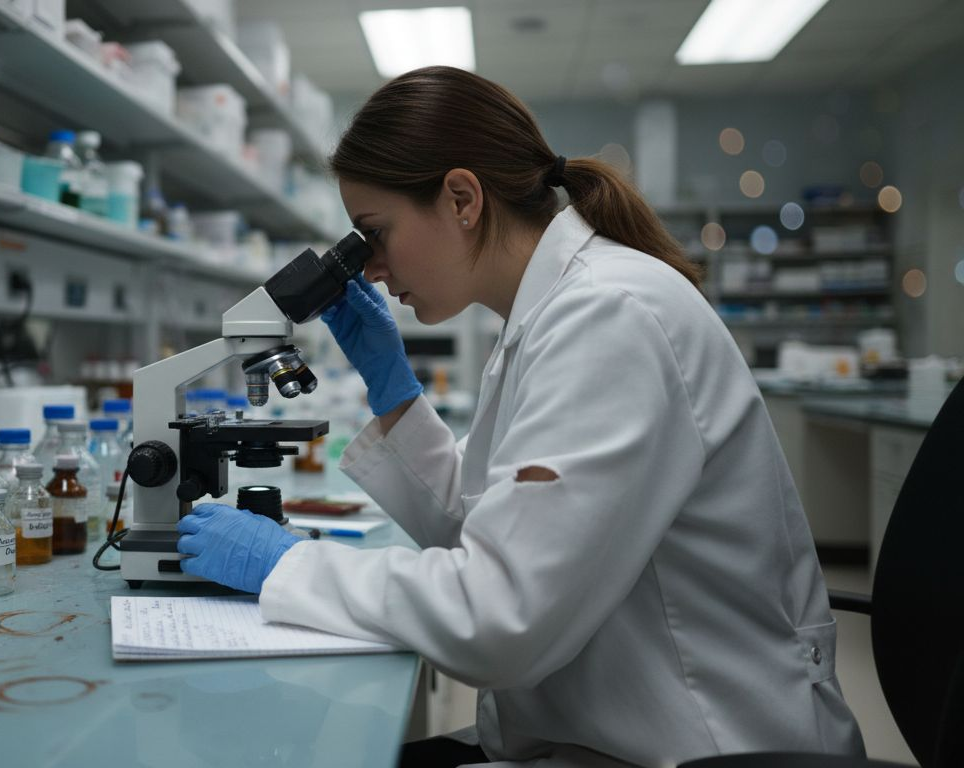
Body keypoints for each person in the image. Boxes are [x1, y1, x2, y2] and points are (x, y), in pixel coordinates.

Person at [176, 66, 865, 768]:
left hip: (697, 746)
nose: (370, 268)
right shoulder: (552, 314)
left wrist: (288, 566)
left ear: (462, 199)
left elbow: (498, 617)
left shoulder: (608, 317)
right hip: (607, 727)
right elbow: (494, 529)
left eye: (373, 234)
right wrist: (394, 391)